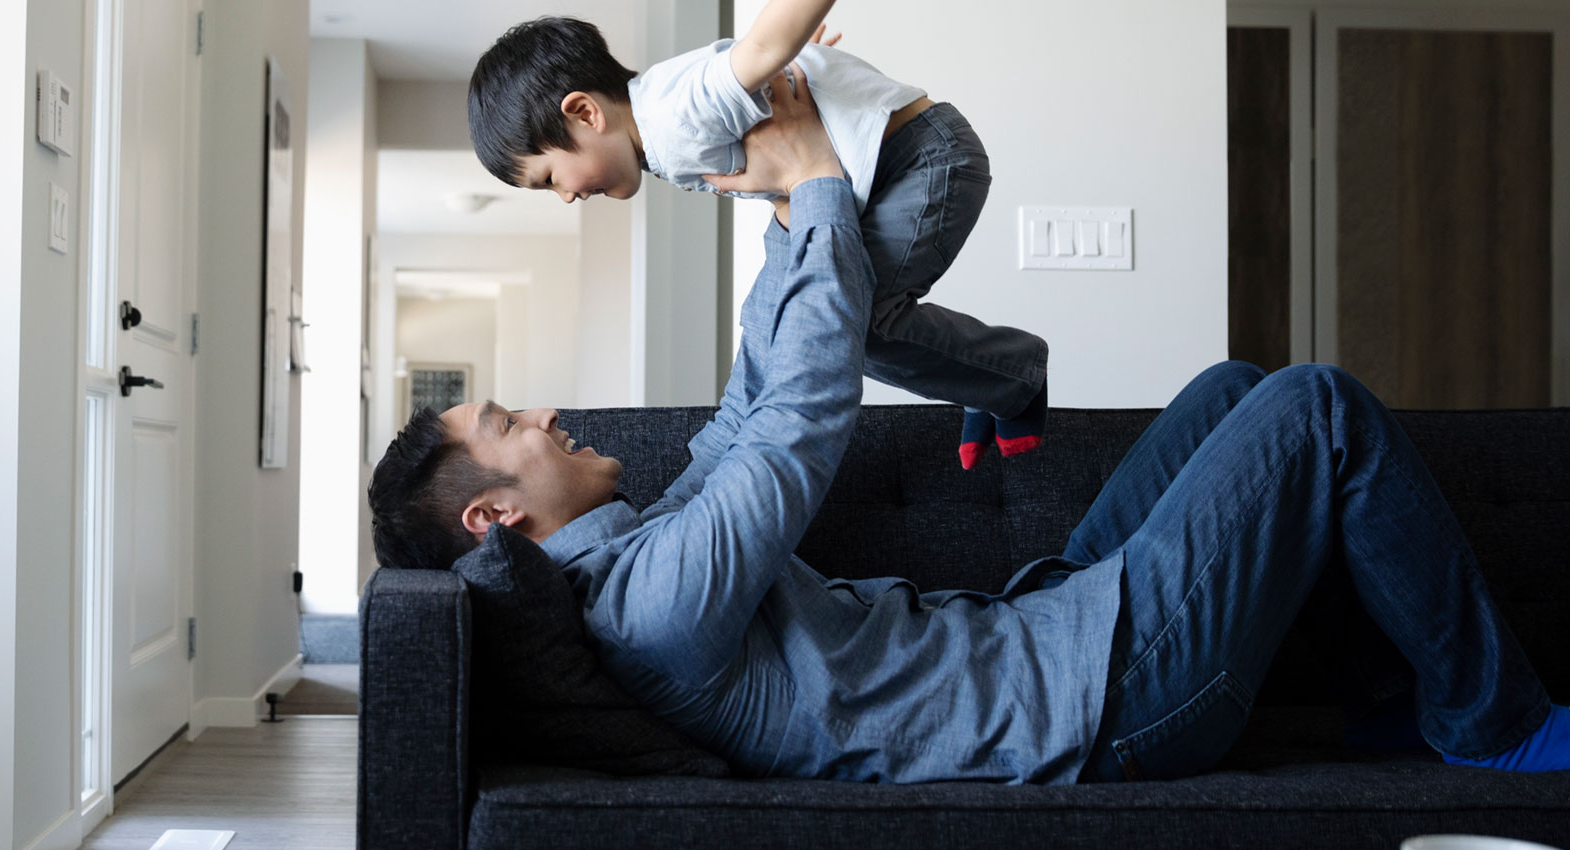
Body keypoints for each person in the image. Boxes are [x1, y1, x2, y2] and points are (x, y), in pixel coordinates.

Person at [372, 67, 1569, 784]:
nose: (546, 412)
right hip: (1104, 700)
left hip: (1046, 629)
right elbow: (796, 422)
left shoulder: (643, 547)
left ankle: (1382, 695)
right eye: (509, 421)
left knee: (1231, 388)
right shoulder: (650, 603)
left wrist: (788, 210)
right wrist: (823, 184)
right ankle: (1492, 721)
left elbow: (745, 402)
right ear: (495, 514)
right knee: (1314, 407)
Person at [466, 7, 1046, 470]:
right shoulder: (661, 116)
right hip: (885, 171)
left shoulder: (674, 117)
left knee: (847, 325)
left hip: (921, 162)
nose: (566, 197)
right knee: (798, 320)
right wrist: (792, 70)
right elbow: (757, 75)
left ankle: (1013, 377)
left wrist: (782, 48)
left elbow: (764, 45)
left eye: (550, 178)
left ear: (584, 113)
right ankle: (990, 382)